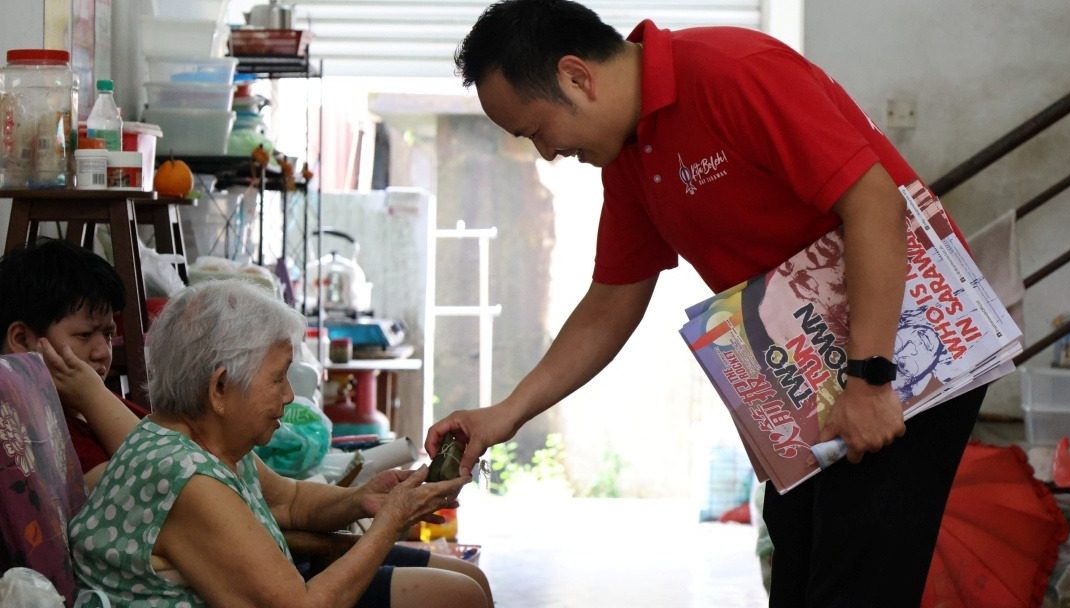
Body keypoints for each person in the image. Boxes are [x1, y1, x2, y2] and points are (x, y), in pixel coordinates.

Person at [424, 1, 986, 606]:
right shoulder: (630, 152)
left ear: (576, 77)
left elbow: (875, 204)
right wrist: (507, 413)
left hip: (902, 353)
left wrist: (872, 380)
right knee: (797, 555)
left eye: (535, 131)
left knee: (856, 576)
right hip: (806, 369)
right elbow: (614, 297)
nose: (546, 153)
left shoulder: (732, 73)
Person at [69, 280, 490, 607]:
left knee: (472, 582)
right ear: (219, 388)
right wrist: (391, 524)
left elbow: (289, 501)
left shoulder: (204, 445)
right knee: (460, 596)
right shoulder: (187, 481)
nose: (289, 395)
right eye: (278, 377)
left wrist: (364, 500)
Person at [0, 238, 147, 476]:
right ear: (21, 339)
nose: (103, 352)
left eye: (108, 334)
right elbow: (164, 477)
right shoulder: (37, 433)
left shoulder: (96, 400)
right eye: (85, 335)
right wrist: (93, 398)